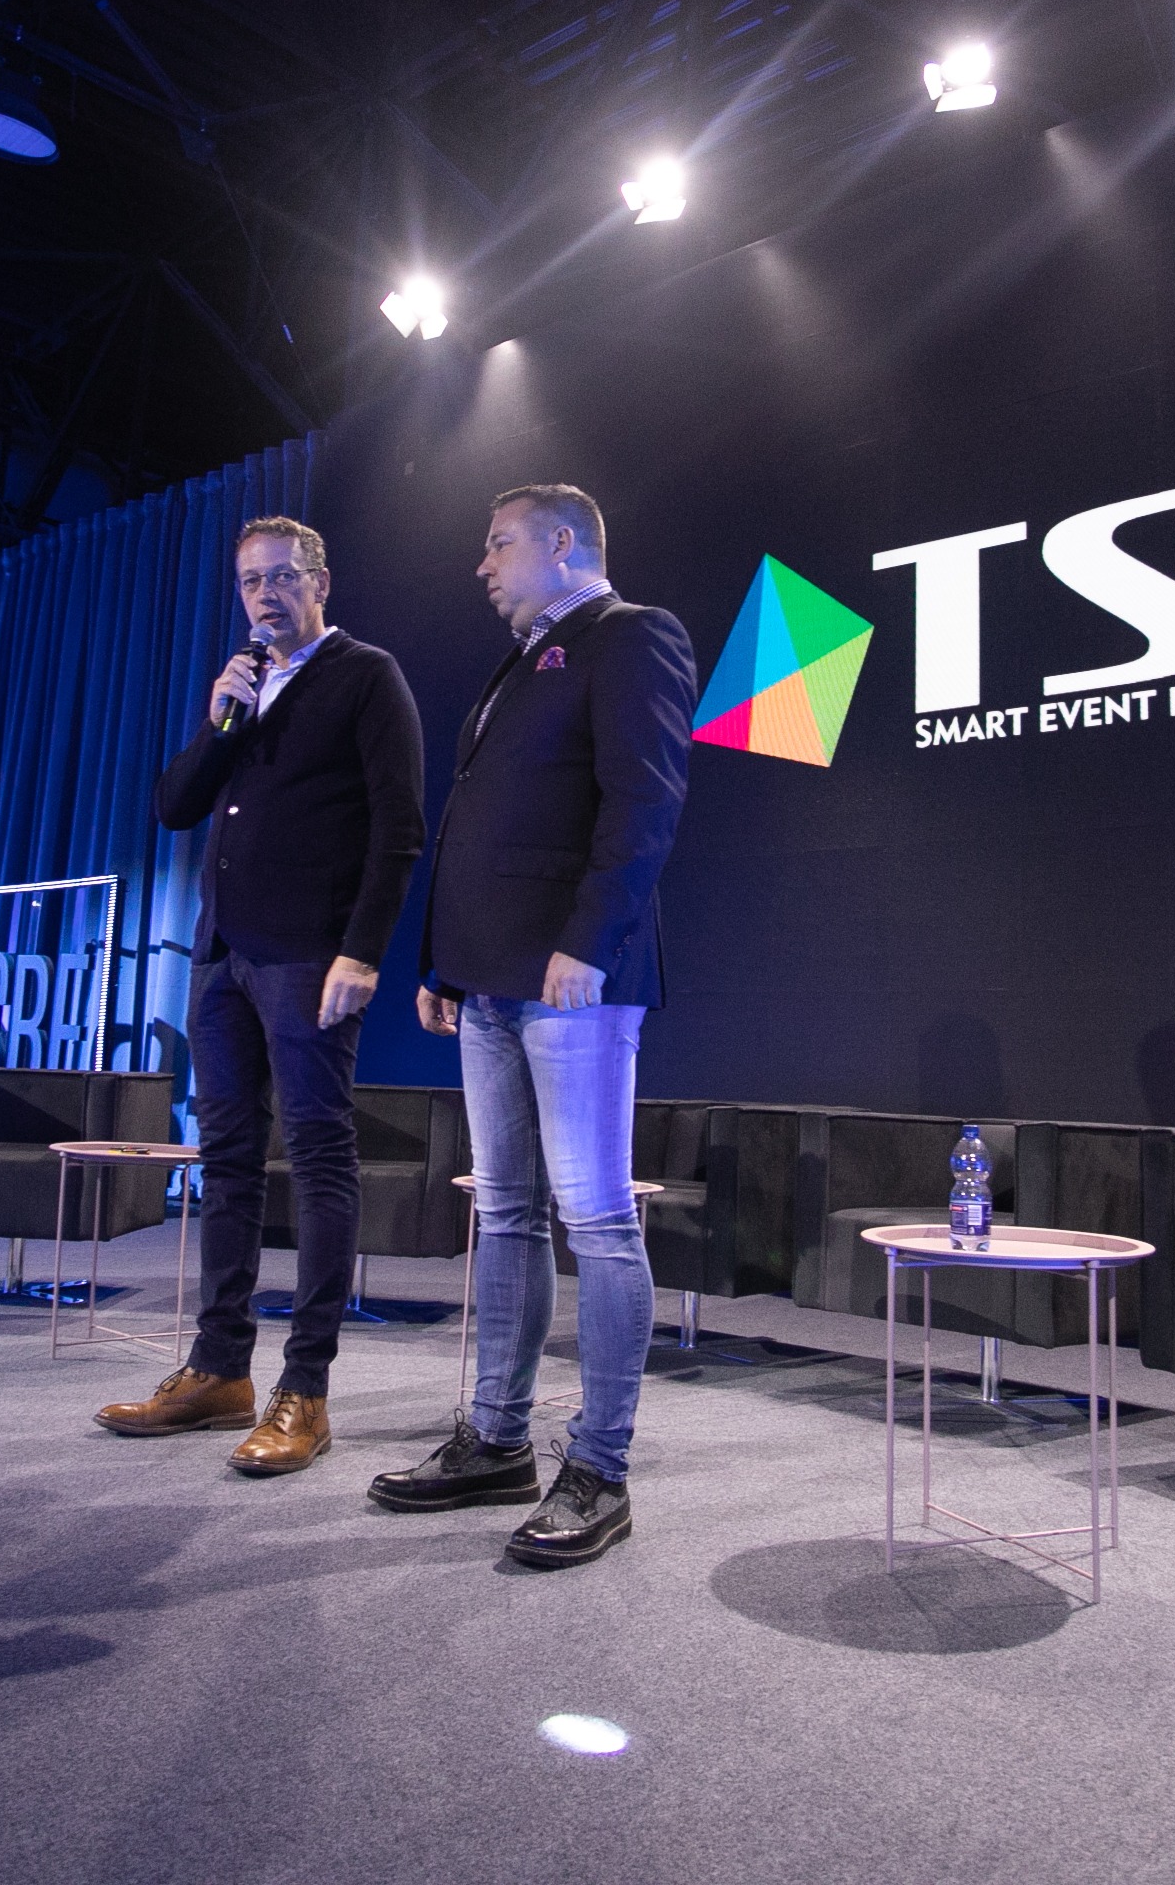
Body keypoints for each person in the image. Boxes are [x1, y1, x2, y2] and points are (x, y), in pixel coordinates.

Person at [369, 484, 695, 1568]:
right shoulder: (522, 661)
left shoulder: (631, 634)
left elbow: (644, 802)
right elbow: (475, 824)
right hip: (488, 980)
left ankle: (599, 1469)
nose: (482, 564)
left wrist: (589, 943)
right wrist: (440, 962)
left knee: (596, 1220)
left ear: (563, 544)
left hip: (573, 979)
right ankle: (497, 1442)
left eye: (498, 543)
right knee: (505, 1213)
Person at [97, 518, 426, 1473]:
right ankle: (218, 1370)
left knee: (318, 1157)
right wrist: (218, 719)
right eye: (250, 582)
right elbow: (174, 807)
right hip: (222, 958)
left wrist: (362, 952)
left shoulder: (367, 675)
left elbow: (399, 828)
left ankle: (305, 1390)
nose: (266, 595)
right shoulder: (243, 686)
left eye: (283, 576)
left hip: (310, 957)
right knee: (228, 1161)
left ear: (321, 581)